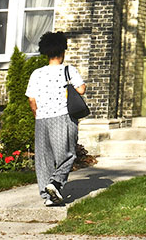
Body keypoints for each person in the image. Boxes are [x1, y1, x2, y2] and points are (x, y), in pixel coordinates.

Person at [25, 31, 86, 206]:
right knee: (67, 154)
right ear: (62, 51)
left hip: (42, 119)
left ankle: (47, 196)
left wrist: (38, 114)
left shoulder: (36, 73)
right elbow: (81, 90)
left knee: (44, 159)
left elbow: (31, 99)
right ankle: (56, 183)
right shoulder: (68, 70)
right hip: (63, 117)